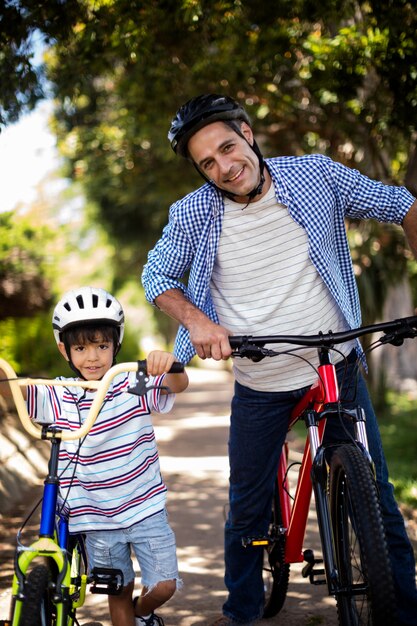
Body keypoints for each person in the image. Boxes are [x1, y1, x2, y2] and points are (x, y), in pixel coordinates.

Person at [141, 94, 417, 626]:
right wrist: (198, 322)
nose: (224, 168)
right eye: (208, 163)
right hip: (259, 379)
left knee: (379, 503)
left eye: (227, 147)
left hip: (335, 368)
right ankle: (242, 615)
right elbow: (158, 277)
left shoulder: (316, 176)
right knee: (246, 510)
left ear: (247, 132)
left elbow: (401, 203)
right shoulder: (193, 213)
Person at [0, 286, 189, 626]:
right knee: (117, 591)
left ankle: (143, 613)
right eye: (81, 347)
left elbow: (177, 385)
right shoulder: (59, 393)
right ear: (65, 350)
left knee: (164, 586)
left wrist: (170, 365)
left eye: (102, 345)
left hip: (144, 509)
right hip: (95, 519)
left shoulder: (131, 381)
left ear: (116, 344)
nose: (93, 357)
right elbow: (16, 392)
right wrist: (4, 373)